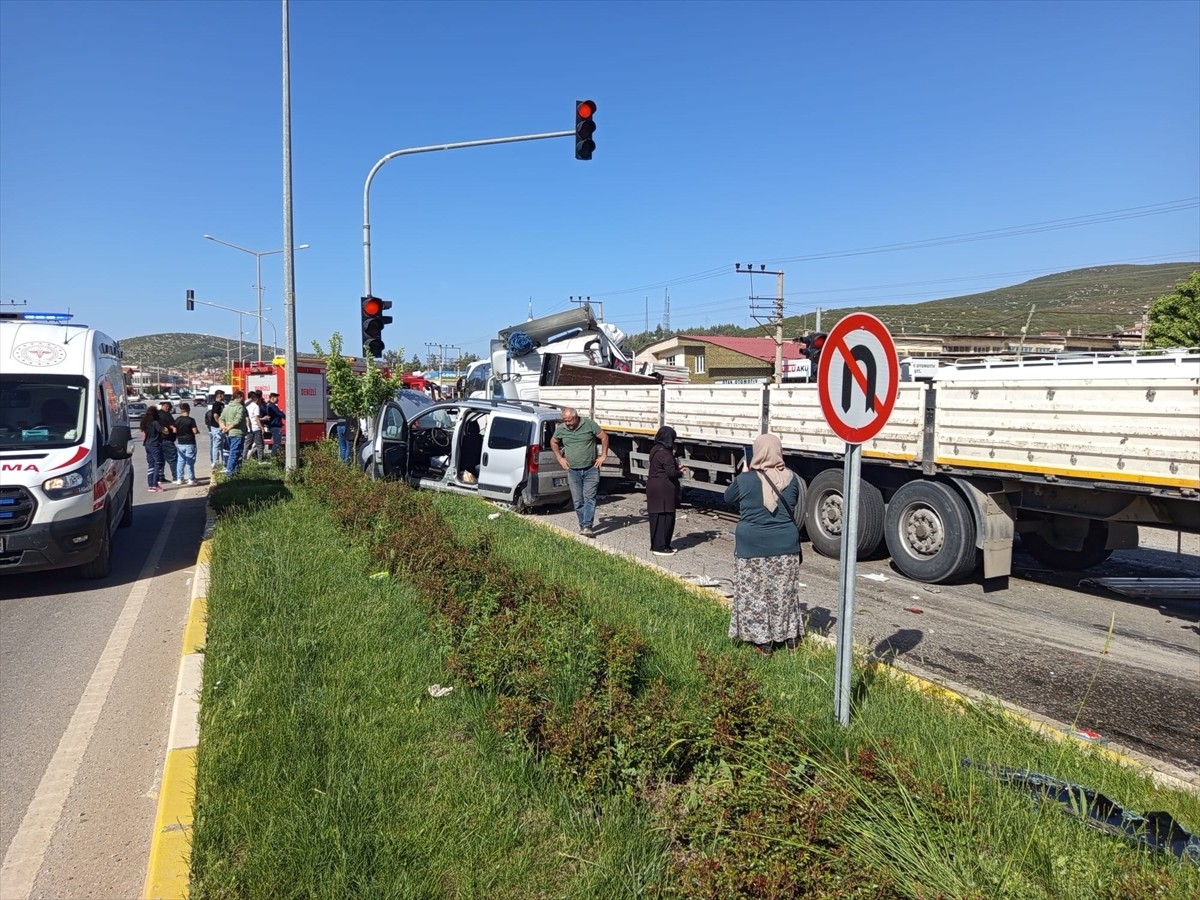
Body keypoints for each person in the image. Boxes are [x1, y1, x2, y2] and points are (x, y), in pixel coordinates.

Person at [722, 433, 804, 655]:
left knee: (755, 594)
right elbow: (794, 504)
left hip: (752, 548)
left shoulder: (745, 480)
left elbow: (727, 498)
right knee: (784, 593)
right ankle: (790, 639)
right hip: (786, 547)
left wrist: (745, 473)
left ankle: (763, 643)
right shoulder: (793, 479)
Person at [550, 406, 608, 537]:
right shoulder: (562, 429)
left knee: (589, 498)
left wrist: (603, 455)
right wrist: (560, 458)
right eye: (566, 421)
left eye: (570, 420)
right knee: (578, 500)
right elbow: (553, 442)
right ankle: (582, 524)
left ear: (576, 417)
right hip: (573, 470)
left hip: (591, 469)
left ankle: (587, 526)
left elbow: (604, 437)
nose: (568, 423)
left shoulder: (589, 424)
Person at [646, 426, 687, 556]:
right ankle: (661, 547)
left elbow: (662, 467)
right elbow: (671, 473)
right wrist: (680, 472)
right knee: (666, 517)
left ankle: (661, 545)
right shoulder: (666, 453)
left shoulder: (656, 449)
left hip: (654, 487)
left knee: (657, 518)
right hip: (664, 489)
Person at [219, 390, 248, 476]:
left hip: (229, 434)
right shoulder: (240, 407)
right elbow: (237, 420)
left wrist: (223, 427)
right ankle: (229, 473)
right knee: (234, 453)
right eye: (243, 397)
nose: (244, 399)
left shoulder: (227, 407)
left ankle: (236, 472)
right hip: (237, 433)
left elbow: (221, 419)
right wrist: (228, 428)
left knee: (235, 453)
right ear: (240, 397)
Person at [173, 401, 200, 485]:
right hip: (190, 442)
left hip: (180, 443)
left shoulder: (177, 419)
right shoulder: (191, 420)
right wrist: (197, 431)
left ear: (181, 410)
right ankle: (191, 479)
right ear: (189, 409)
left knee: (180, 461)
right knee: (190, 461)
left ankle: (179, 478)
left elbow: (174, 430)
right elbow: (194, 431)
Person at [140, 407, 165, 493]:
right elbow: (164, 431)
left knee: (151, 465)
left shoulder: (145, 423)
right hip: (155, 444)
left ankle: (150, 484)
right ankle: (155, 484)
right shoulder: (155, 423)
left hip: (147, 445)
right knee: (158, 463)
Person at [158, 401, 177, 484]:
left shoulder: (156, 415)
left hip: (157, 441)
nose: (168, 408)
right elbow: (172, 426)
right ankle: (176, 477)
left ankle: (160, 477)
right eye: (166, 406)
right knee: (172, 459)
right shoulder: (167, 415)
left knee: (160, 459)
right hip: (167, 440)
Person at [206, 390, 226, 468]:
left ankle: (223, 460)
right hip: (216, 428)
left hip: (220, 427)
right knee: (216, 445)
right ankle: (215, 462)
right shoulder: (216, 405)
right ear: (219, 395)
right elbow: (215, 415)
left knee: (222, 445)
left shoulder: (221, 404)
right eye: (223, 395)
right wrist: (220, 424)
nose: (224, 397)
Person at [262, 392, 286, 456]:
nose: (278, 399)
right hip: (275, 426)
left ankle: (274, 456)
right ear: (272, 398)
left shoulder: (270, 405)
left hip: (273, 426)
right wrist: (284, 415)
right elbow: (279, 413)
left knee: (276, 442)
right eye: (277, 398)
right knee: (277, 443)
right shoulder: (272, 406)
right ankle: (274, 457)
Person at [243, 391, 265, 463]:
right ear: (256, 399)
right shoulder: (256, 406)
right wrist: (262, 428)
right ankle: (260, 460)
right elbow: (257, 418)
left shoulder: (246, 406)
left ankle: (244, 459)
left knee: (247, 444)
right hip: (256, 428)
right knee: (259, 445)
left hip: (248, 428)